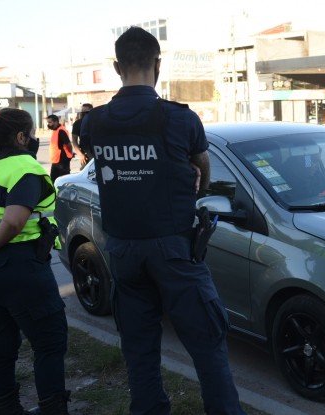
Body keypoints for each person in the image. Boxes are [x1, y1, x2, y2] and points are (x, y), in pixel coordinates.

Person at [82, 26, 245, 415]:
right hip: (174, 250)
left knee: (138, 349)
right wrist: (197, 186)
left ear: (117, 66)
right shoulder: (181, 119)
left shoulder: (94, 122)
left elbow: (93, 154)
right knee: (207, 343)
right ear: (158, 64)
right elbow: (202, 164)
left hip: (122, 249)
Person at [0, 108, 70, 414]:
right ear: (22, 136)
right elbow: (14, 222)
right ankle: (53, 409)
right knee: (49, 344)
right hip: (19, 266)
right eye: (31, 134)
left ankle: (8, 410)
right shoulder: (25, 168)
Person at [46, 114, 74, 183]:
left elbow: (69, 144)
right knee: (54, 181)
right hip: (56, 160)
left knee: (62, 181)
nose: (48, 124)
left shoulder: (61, 131)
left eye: (50, 122)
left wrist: (70, 153)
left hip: (61, 161)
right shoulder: (56, 130)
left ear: (55, 122)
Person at [71, 103, 94, 169]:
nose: (84, 114)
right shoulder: (77, 123)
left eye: (87, 112)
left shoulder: (96, 121)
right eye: (83, 111)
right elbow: (74, 140)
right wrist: (80, 154)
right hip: (86, 154)